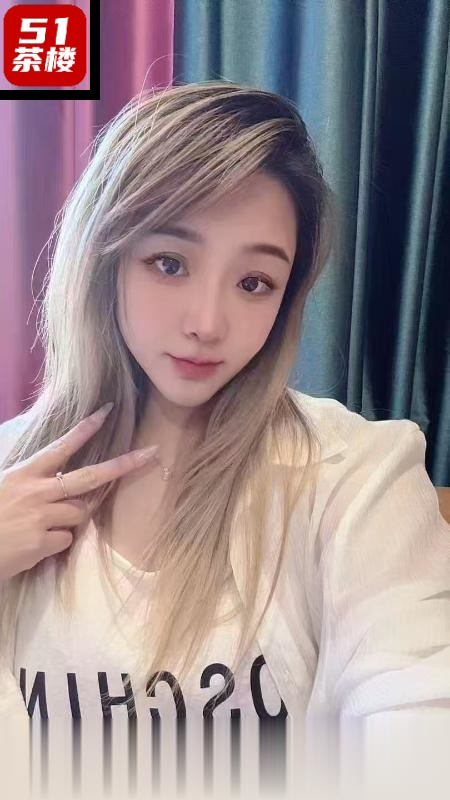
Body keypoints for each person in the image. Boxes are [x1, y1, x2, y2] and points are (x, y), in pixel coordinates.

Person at [0, 82, 449, 739]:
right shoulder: (9, 469)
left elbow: (419, 700)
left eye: (253, 283)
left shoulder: (354, 474)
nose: (207, 324)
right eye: (169, 263)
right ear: (104, 258)